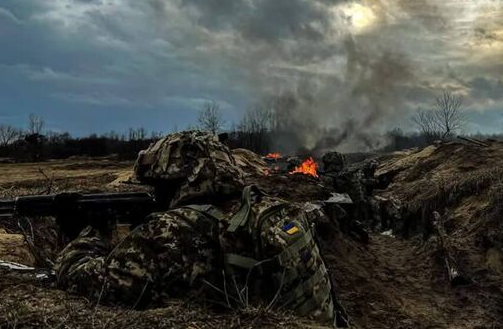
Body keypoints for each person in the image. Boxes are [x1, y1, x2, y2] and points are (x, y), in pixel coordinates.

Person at [54, 131, 335, 323]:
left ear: (177, 180)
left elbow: (87, 280)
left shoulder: (170, 231)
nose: (156, 193)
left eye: (159, 185)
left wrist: (91, 234)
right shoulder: (274, 209)